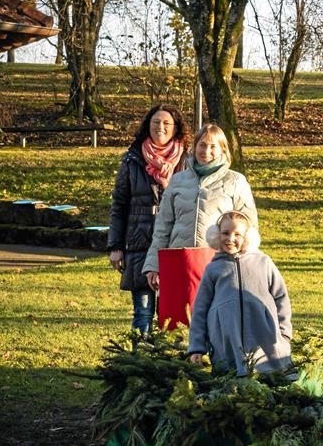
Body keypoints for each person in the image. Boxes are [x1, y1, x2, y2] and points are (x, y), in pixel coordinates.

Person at [142, 123, 258, 292]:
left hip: (221, 263)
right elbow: (163, 226)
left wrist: (246, 263)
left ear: (223, 150)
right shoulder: (177, 181)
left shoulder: (236, 181)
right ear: (194, 147)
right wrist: (153, 264)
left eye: (213, 146)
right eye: (202, 145)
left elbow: (249, 227)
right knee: (180, 317)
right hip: (180, 262)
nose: (206, 151)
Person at [107, 104, 190, 332]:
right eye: (155, 122)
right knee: (142, 312)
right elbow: (119, 205)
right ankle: (139, 362)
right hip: (139, 244)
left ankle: (166, 364)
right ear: (147, 125)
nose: (160, 127)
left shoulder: (187, 162)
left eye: (166, 123)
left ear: (176, 129)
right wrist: (115, 246)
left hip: (174, 244)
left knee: (171, 313)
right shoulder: (132, 159)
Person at [188, 211, 293, 376]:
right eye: (225, 233)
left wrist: (284, 333)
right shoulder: (213, 269)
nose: (230, 239)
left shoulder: (263, 263)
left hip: (264, 337)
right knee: (231, 384)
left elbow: (281, 297)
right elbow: (200, 309)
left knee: (268, 379)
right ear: (216, 234)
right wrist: (197, 347)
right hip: (226, 342)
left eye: (238, 234)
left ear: (248, 237)